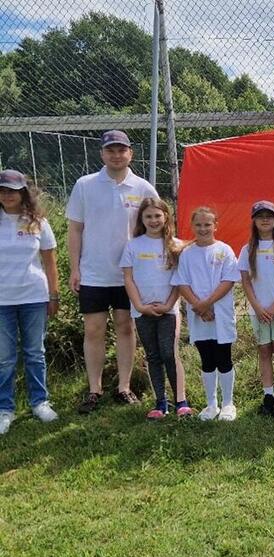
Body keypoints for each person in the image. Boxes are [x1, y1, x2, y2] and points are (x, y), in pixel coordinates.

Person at [67, 130, 158, 414]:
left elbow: (159, 227)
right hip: (93, 273)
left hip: (130, 275)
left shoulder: (143, 187)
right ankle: (94, 390)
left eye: (121, 150)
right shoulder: (85, 185)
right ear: (102, 154)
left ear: (131, 153)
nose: (116, 155)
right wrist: (74, 268)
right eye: (111, 150)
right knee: (93, 329)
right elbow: (75, 229)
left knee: (125, 327)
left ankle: (124, 387)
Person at [120, 198, 193, 420]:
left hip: (168, 311)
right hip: (142, 312)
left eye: (157, 216)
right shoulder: (133, 245)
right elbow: (128, 278)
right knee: (153, 356)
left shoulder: (175, 246)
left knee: (169, 353)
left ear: (166, 217)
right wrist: (139, 306)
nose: (153, 220)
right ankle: (160, 403)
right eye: (148, 216)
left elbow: (180, 279)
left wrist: (169, 304)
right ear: (141, 219)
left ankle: (181, 401)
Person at [0, 170, 59, 435]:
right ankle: (5, 409)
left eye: (12, 191)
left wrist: (54, 295)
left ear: (23, 192)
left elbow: (49, 262)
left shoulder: (38, 222)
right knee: (5, 358)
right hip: (2, 300)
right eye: (2, 190)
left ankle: (39, 403)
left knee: (35, 353)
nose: (7, 195)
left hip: (34, 297)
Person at [171, 207, 239, 421]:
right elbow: (181, 282)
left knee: (223, 357)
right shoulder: (187, 254)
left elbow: (228, 280)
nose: (203, 229)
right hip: (198, 315)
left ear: (215, 225)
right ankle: (211, 404)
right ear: (192, 226)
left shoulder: (225, 250)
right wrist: (198, 306)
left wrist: (207, 304)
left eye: (207, 224)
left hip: (220, 313)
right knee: (207, 359)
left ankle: (228, 403)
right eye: (198, 225)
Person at [239, 201, 274, 417]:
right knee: (264, 350)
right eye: (260, 216)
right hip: (258, 311)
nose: (265, 220)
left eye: (269, 216)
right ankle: (268, 395)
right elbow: (245, 281)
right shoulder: (247, 249)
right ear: (254, 221)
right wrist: (257, 307)